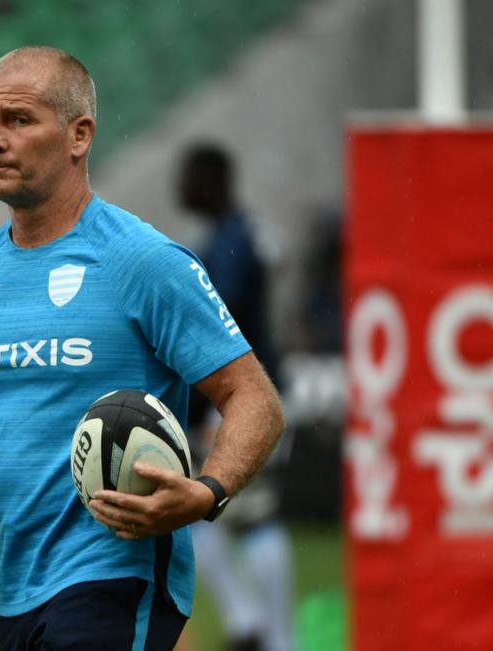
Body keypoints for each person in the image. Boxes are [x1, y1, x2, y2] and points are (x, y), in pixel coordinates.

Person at [0, 47, 284, 651]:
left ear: (79, 135)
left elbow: (255, 397)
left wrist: (208, 491)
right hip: (13, 591)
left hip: (115, 578)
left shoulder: (142, 261)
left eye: (18, 120)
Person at [176, 142, 294, 651]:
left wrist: (211, 406)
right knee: (204, 515)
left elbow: (222, 333)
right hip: (239, 397)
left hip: (245, 401)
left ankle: (277, 638)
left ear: (210, 180)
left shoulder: (232, 244)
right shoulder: (233, 238)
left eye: (188, 176)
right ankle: (251, 627)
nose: (180, 187)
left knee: (251, 516)